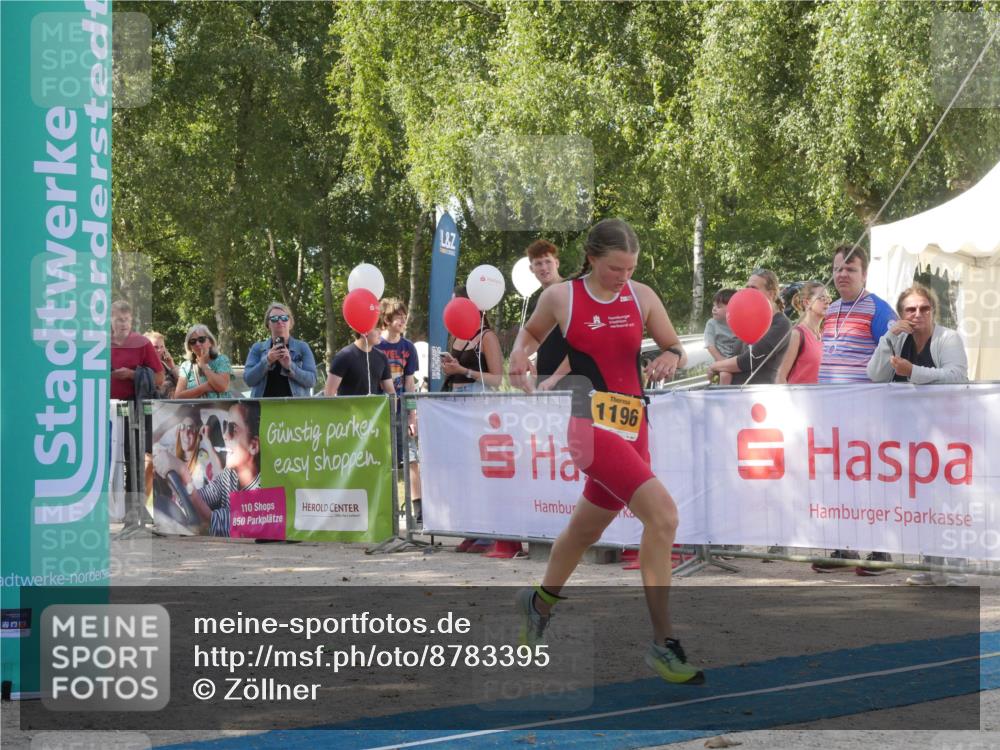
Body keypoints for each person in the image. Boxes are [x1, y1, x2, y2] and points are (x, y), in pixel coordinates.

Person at [509, 218, 703, 684]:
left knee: (584, 531)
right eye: (616, 268)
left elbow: (675, 346)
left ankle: (539, 602)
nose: (623, 277)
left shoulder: (642, 296)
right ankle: (663, 643)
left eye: (631, 268)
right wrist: (518, 356)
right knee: (664, 517)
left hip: (634, 425)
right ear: (592, 258)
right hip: (589, 427)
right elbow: (530, 335)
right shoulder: (562, 297)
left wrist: (670, 356)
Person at [867, 283, 969, 586]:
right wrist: (888, 337)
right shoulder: (898, 340)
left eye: (924, 308)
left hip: (949, 435)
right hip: (911, 437)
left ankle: (956, 569)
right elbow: (875, 375)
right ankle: (930, 566)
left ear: (933, 311)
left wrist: (913, 371)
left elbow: (956, 376)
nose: (917, 314)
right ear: (901, 314)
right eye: (910, 309)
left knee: (950, 502)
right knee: (923, 502)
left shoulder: (948, 338)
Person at [814, 244, 898, 574]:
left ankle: (882, 551)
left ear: (864, 274)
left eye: (850, 269)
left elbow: (893, 356)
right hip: (831, 416)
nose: (842, 274)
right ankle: (843, 547)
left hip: (866, 416)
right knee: (838, 480)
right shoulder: (832, 309)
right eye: (838, 269)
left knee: (872, 480)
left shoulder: (878, 309)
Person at [153, 401, 261, 537]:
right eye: (225, 426)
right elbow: (201, 497)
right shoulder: (230, 475)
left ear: (253, 446)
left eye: (233, 428)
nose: (225, 435)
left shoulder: (262, 494)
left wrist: (184, 474)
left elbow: (211, 523)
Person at [376, 299, 422, 524]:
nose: (403, 320)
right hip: (379, 410)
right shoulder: (375, 345)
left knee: (411, 457)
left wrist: (412, 415)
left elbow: (410, 383)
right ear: (386, 319)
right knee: (382, 459)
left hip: (402, 409)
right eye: (398, 316)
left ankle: (420, 512)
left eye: (405, 316)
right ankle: (384, 509)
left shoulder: (408, 348)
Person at [706, 269, 791, 385]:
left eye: (754, 288)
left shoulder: (781, 324)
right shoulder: (748, 319)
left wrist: (715, 366)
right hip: (735, 391)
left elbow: (750, 358)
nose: (748, 292)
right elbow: (734, 355)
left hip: (757, 392)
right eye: (747, 287)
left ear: (771, 294)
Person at [245, 302, 318, 398]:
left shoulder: (302, 347)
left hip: (295, 405)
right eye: (274, 318)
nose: (280, 321)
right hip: (264, 406)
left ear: (290, 322)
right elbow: (248, 380)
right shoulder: (258, 348)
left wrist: (290, 366)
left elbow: (312, 381)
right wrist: (267, 360)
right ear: (268, 324)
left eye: (284, 318)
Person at [525, 240, 570, 391]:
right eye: (538, 263)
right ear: (531, 268)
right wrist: (532, 375)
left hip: (574, 383)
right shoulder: (539, 301)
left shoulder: (571, 293)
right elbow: (543, 344)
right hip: (545, 385)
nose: (544, 268)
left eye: (548, 262)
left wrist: (554, 378)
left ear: (556, 263)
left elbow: (582, 346)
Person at [441, 287, 504, 392]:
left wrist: (464, 371)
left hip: (476, 395)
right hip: (455, 394)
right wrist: (449, 367)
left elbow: (496, 380)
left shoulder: (487, 336)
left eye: (455, 302)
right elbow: (457, 369)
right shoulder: (456, 335)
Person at [775, 282, 831, 384]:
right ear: (807, 303)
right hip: (799, 394)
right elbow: (779, 376)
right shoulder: (797, 334)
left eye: (828, 298)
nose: (827, 302)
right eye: (822, 298)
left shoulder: (826, 335)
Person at [325, 328, 395, 397]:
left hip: (375, 405)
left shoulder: (382, 357)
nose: (380, 332)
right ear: (363, 331)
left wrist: (393, 403)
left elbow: (391, 392)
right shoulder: (343, 356)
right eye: (376, 328)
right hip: (348, 405)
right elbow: (329, 393)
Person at [174, 324, 233, 399]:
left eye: (201, 339)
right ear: (190, 347)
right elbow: (178, 397)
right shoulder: (186, 366)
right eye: (193, 341)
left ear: (210, 342)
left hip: (220, 406)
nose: (197, 344)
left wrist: (203, 366)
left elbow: (222, 387)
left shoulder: (222, 360)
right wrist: (205, 387)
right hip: (195, 407)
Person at [703, 289, 741, 386]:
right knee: (725, 375)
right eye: (714, 306)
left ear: (733, 308)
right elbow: (710, 345)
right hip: (721, 360)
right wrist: (721, 361)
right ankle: (723, 393)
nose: (714, 309)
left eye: (719, 306)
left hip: (737, 361)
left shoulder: (740, 323)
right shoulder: (711, 324)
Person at [145, 331, 180, 399]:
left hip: (174, 404)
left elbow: (183, 384)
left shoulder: (166, 366)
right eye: (155, 347)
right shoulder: (144, 368)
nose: (159, 350)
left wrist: (172, 365)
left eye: (162, 346)